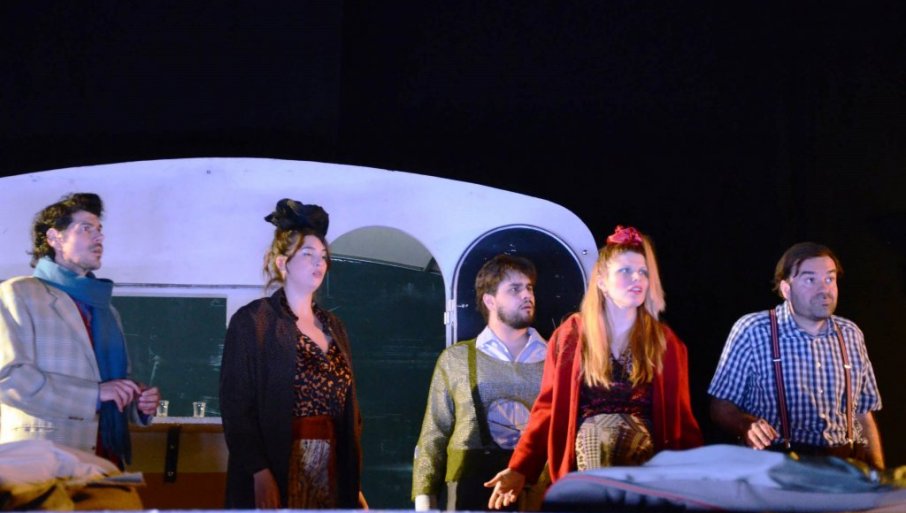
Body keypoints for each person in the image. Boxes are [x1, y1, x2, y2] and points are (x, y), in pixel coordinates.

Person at [485, 225, 703, 510]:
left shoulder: (665, 343)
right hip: (585, 471)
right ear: (601, 280)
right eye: (625, 271)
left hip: (644, 479)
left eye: (643, 272)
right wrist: (520, 467)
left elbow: (681, 421)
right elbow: (548, 408)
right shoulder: (571, 336)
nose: (637, 278)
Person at [219, 198, 366, 509]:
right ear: (282, 263)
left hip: (333, 467)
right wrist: (259, 472)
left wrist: (353, 483)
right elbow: (236, 407)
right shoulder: (253, 322)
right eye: (308, 254)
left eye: (323, 256)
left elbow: (350, 412)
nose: (319, 263)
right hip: (279, 464)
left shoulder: (335, 326)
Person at [0, 192, 160, 468]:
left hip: (107, 457)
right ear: (54, 237)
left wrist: (138, 401)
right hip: (44, 461)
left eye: (99, 229)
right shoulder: (18, 293)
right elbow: (9, 379)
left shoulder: (106, 309)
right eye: (86, 228)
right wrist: (95, 394)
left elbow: (115, 382)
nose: (99, 237)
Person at [708, 242, 884, 469]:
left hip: (841, 467)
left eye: (829, 279)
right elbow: (720, 406)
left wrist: (878, 471)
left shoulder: (851, 334)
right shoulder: (753, 330)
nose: (824, 289)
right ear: (786, 289)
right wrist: (746, 425)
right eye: (810, 280)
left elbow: (862, 413)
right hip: (777, 466)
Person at [412, 254, 548, 511]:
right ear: (490, 300)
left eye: (529, 287)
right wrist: (424, 499)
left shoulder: (555, 358)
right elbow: (434, 433)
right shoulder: (457, 359)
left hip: (536, 492)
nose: (526, 295)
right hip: (468, 490)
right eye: (515, 289)